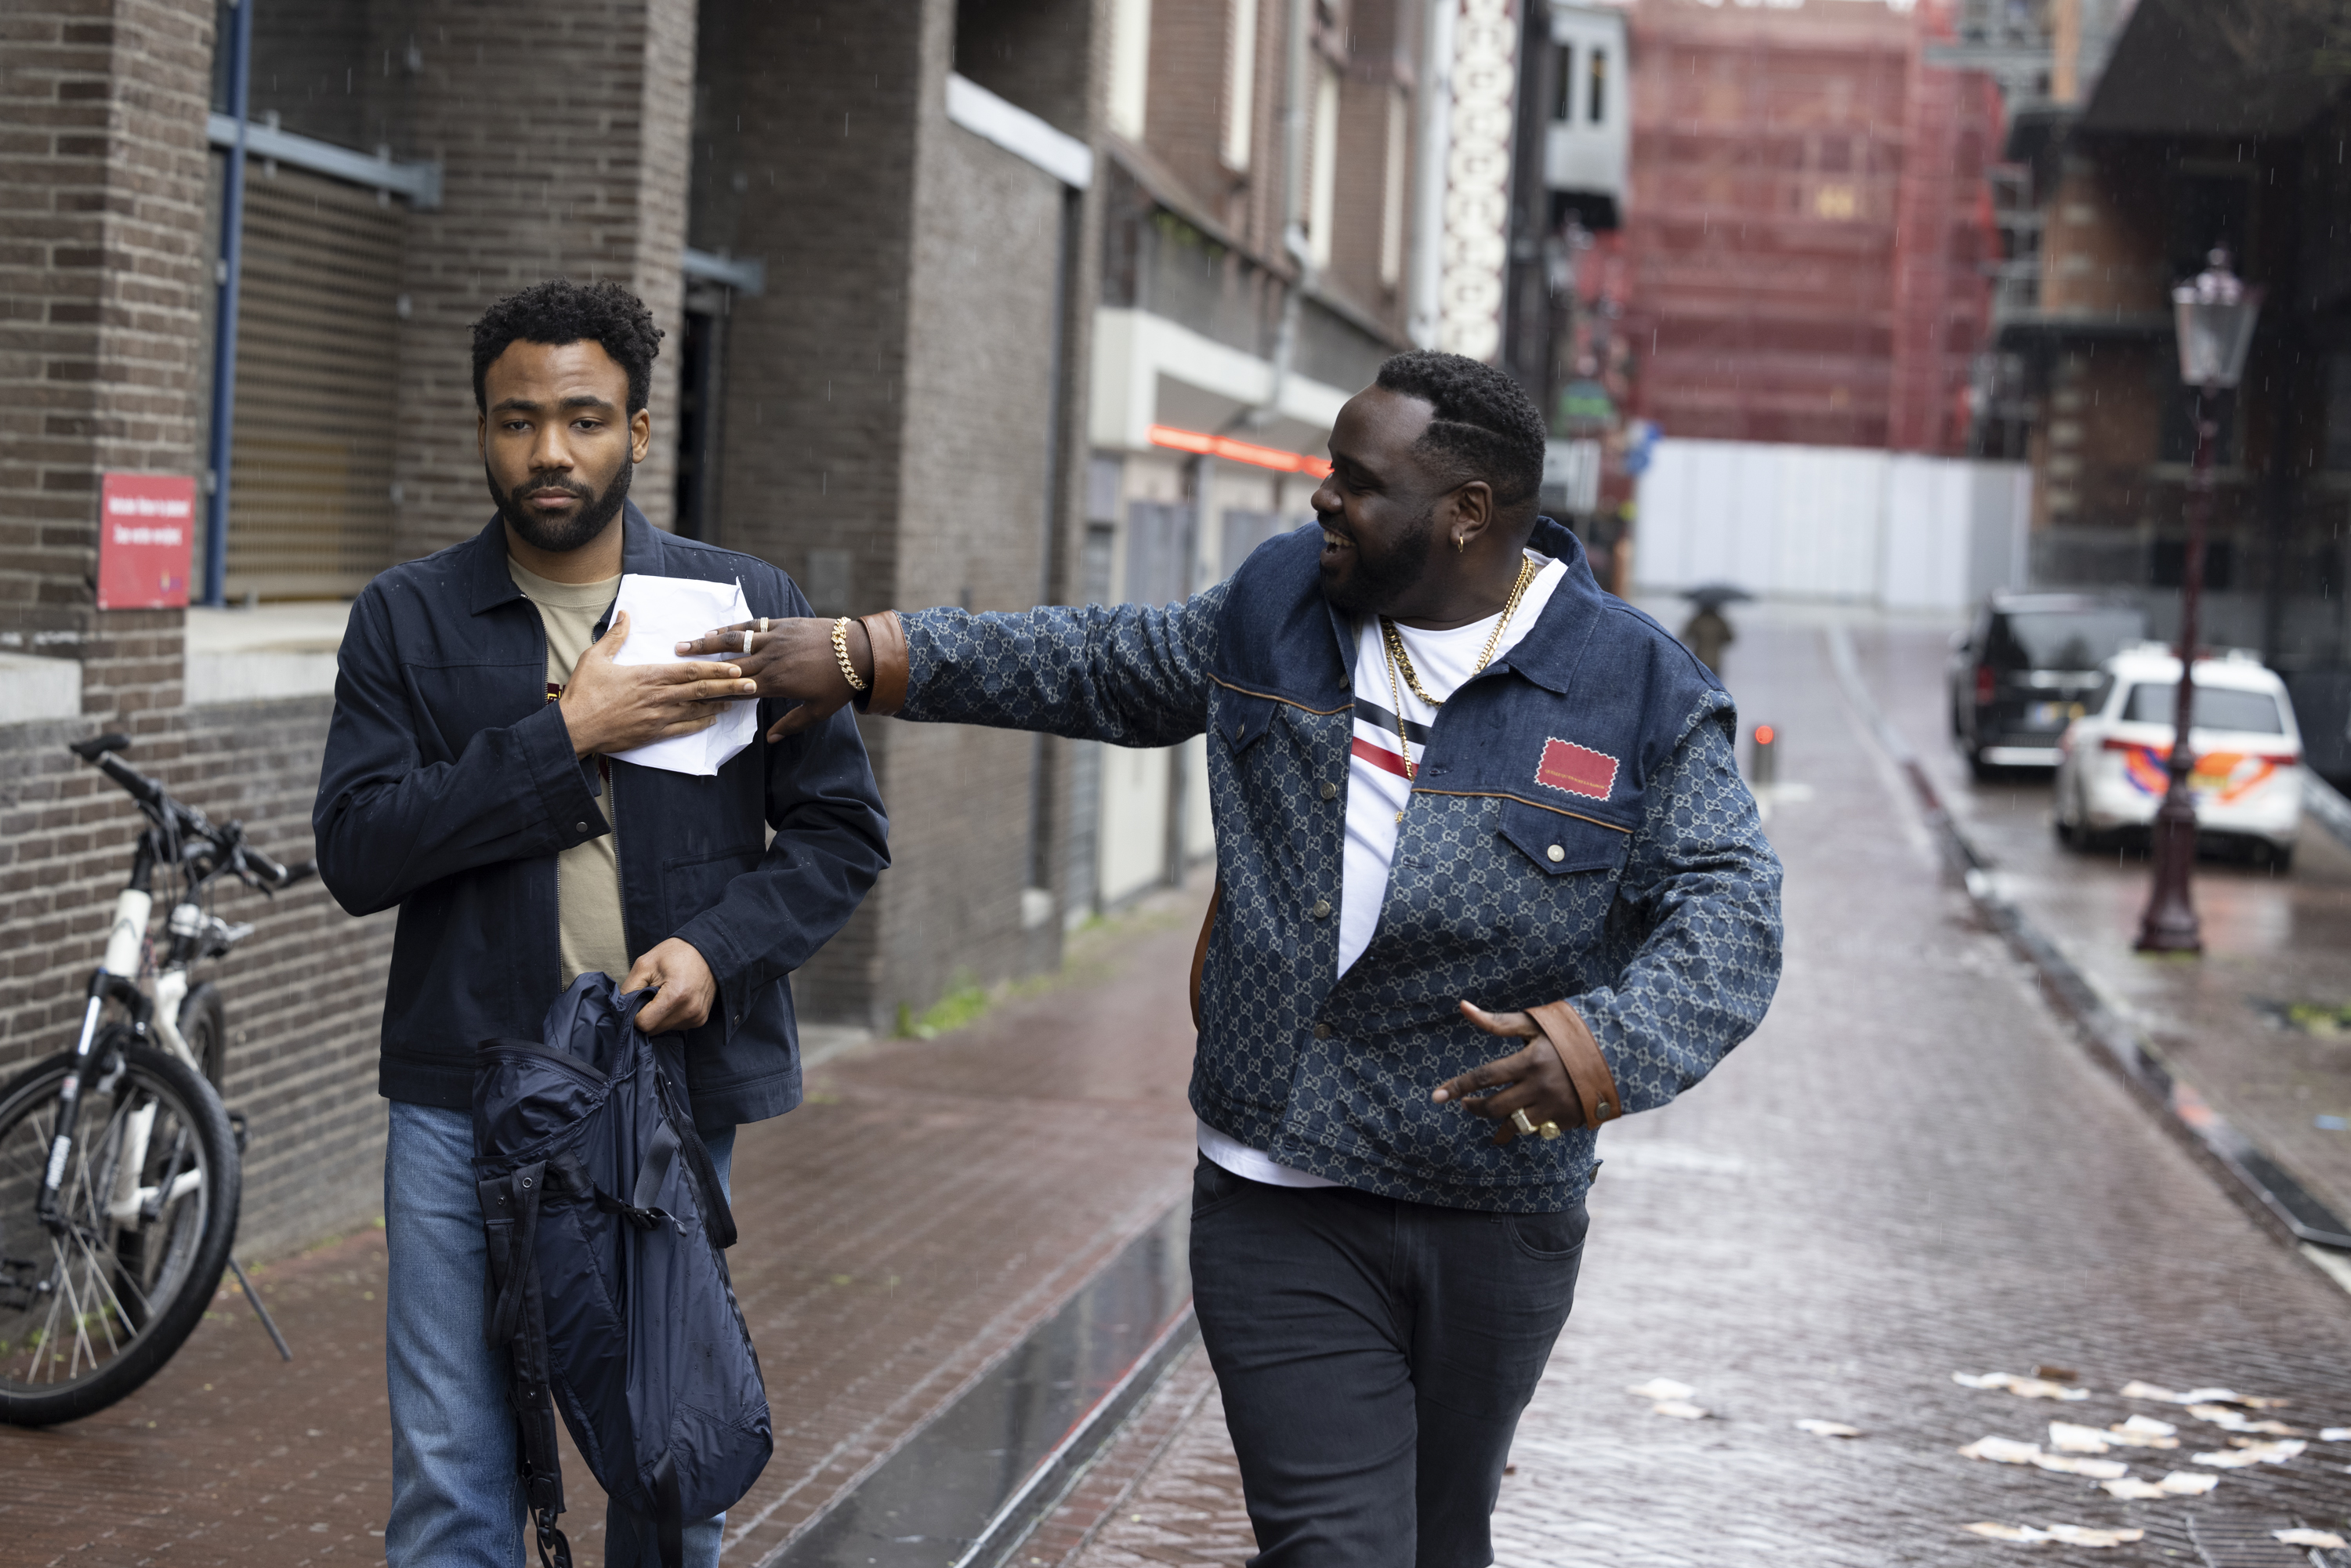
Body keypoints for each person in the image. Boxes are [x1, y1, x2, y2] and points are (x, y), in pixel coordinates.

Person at [679, 350, 1782, 1567]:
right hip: (1278, 1181)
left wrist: (1601, 1049)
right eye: (1327, 470)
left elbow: (1734, 906)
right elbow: (1101, 660)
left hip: (1493, 1207)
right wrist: (868, 652)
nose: (1321, 499)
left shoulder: (1631, 686)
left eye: (1358, 481)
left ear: (1468, 513)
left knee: (1436, 1539)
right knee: (1338, 1546)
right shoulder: (1280, 605)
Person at [313, 279, 889, 1568]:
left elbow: (842, 834)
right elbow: (358, 849)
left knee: (669, 1458)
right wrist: (570, 731)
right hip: (461, 1090)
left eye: (582, 418)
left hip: (663, 1094)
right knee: (455, 1478)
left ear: (638, 429)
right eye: (517, 421)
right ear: (482, 432)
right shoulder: (406, 619)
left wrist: (717, 950)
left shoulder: (741, 606)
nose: (549, 451)